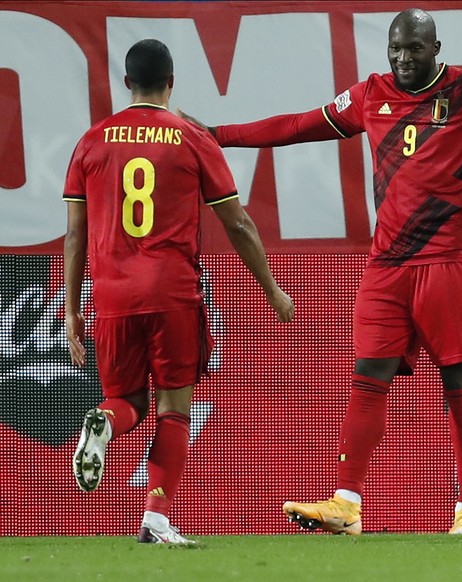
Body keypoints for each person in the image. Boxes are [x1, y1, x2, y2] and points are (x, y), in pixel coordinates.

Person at [181, 7, 462, 535]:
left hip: (449, 261)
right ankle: (346, 504)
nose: (402, 58)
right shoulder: (370, 94)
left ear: (435, 48)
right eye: (395, 48)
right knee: (367, 376)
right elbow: (298, 125)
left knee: (459, 382)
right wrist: (219, 133)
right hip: (387, 265)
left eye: (413, 49)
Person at [63, 39, 295, 545]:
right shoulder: (189, 137)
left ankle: (104, 421)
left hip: (112, 298)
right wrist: (273, 289)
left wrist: (72, 306)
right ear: (172, 83)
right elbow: (237, 223)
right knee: (173, 407)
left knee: (125, 401)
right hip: (173, 293)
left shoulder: (91, 141)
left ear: (127, 84)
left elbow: (76, 234)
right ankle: (156, 516)